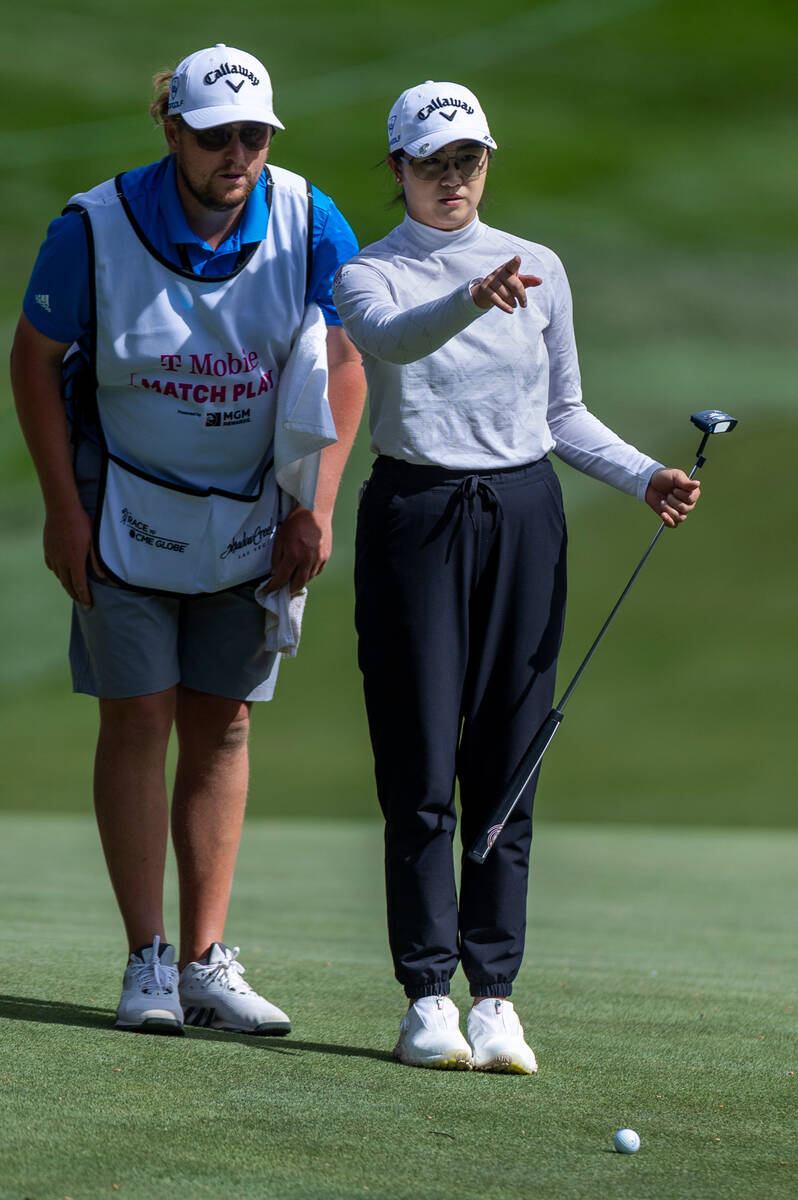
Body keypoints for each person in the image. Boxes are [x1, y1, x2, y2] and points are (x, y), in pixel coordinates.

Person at [333, 80, 700, 1073]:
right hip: (416, 514)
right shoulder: (371, 272)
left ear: (485, 163)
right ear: (399, 168)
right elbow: (393, 343)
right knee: (419, 766)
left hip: (523, 513)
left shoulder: (540, 267)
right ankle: (426, 996)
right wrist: (469, 295)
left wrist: (643, 475)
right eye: (432, 162)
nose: (452, 178)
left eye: (468, 160)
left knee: (510, 754)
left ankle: (494, 994)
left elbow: (562, 414)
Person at [10, 44, 365, 1036]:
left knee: (227, 721)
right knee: (138, 715)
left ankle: (208, 960)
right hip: (121, 499)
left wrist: (319, 504)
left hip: (257, 510)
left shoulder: (306, 217)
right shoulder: (95, 227)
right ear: (172, 130)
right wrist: (61, 506)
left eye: (254, 135)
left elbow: (344, 360)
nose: (238, 155)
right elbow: (34, 363)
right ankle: (147, 963)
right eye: (216, 136)